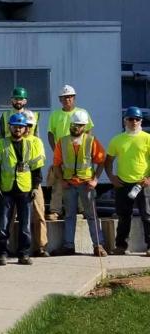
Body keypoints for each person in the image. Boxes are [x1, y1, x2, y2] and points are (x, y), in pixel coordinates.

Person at [0, 113, 44, 265]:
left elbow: (36, 169)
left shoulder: (30, 145)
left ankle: (24, 254)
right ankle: (2, 254)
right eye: (15, 127)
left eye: (21, 127)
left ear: (25, 128)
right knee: (3, 224)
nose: (18, 130)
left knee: (25, 225)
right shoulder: (0, 144)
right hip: (6, 190)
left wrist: (35, 187)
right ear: (10, 128)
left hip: (25, 190)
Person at [50, 110, 106, 257]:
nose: (76, 128)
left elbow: (101, 161)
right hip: (69, 184)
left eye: (80, 125)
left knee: (91, 215)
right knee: (69, 215)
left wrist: (95, 180)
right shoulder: (62, 142)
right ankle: (69, 246)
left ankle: (98, 245)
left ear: (85, 127)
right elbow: (56, 164)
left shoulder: (91, 141)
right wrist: (62, 180)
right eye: (75, 124)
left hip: (86, 184)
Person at [105, 107, 150, 256]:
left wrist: (149, 179)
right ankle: (121, 246)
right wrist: (112, 177)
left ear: (141, 121)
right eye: (130, 119)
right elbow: (108, 160)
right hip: (123, 183)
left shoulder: (147, 138)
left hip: (142, 183)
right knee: (123, 216)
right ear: (125, 121)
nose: (134, 122)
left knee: (147, 215)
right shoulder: (117, 140)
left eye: (137, 119)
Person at [47, 85, 94, 221]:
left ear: (74, 98)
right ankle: (56, 210)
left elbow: (89, 130)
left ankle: (83, 210)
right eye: (64, 97)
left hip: (79, 153)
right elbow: (51, 134)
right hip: (62, 152)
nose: (67, 99)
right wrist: (56, 151)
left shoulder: (82, 112)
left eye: (69, 97)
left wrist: (87, 149)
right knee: (58, 182)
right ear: (60, 99)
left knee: (81, 181)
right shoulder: (55, 114)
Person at [23, 111, 50, 259]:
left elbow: (38, 165)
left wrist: (35, 185)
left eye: (30, 126)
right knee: (13, 215)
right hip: (15, 183)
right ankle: (16, 247)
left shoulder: (36, 142)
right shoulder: (12, 141)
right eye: (25, 125)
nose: (27, 128)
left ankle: (41, 246)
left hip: (34, 182)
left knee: (39, 213)